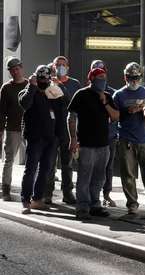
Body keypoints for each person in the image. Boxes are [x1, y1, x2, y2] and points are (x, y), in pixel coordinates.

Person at [68, 68, 119, 220]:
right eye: (99, 77)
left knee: (99, 177)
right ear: (91, 79)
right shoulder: (81, 94)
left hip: (103, 143)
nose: (103, 80)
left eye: (104, 77)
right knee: (84, 176)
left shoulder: (107, 96)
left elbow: (116, 116)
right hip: (86, 144)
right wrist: (73, 138)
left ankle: (95, 205)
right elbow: (71, 117)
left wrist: (105, 103)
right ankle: (82, 207)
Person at [113, 62, 145, 215]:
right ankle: (132, 204)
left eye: (136, 77)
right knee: (128, 174)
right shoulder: (119, 95)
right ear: (125, 77)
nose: (133, 81)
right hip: (126, 139)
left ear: (140, 77)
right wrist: (127, 112)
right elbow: (113, 117)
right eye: (130, 77)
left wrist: (144, 110)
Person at [18, 65, 66, 214]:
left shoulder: (52, 93)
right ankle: (26, 200)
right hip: (35, 137)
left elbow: (63, 109)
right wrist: (32, 87)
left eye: (46, 79)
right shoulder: (27, 91)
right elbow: (25, 103)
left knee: (45, 170)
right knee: (31, 169)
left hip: (51, 138)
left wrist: (58, 87)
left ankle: (37, 199)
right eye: (41, 79)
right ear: (36, 78)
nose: (43, 82)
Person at [44, 56, 82, 204]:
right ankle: (48, 193)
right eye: (57, 65)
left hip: (68, 129)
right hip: (52, 128)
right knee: (50, 163)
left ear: (68, 67)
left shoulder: (74, 84)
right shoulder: (47, 83)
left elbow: (74, 104)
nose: (60, 67)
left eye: (63, 65)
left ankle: (67, 193)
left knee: (67, 164)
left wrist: (61, 86)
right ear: (53, 67)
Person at [90, 59, 118, 207]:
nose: (100, 77)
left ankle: (106, 194)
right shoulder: (86, 93)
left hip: (109, 136)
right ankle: (91, 196)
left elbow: (116, 116)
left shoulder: (113, 93)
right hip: (91, 137)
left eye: (102, 73)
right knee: (91, 166)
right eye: (96, 72)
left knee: (108, 167)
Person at [0, 57, 27, 201]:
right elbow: (1, 111)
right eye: (12, 70)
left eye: (17, 69)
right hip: (12, 128)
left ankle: (29, 192)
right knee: (9, 159)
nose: (15, 72)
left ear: (21, 68)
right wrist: (1, 130)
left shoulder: (30, 85)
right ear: (9, 72)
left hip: (29, 128)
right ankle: (6, 190)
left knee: (32, 161)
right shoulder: (6, 88)